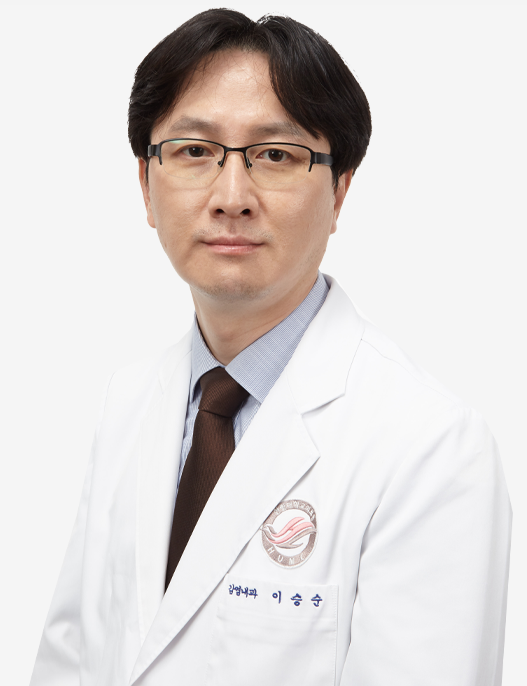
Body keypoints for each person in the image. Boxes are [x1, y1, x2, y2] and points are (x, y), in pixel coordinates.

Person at [30, 9, 512, 686]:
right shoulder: (128, 401)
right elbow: (69, 661)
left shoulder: (430, 449)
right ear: (145, 185)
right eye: (194, 151)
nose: (231, 197)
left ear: (340, 191)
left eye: (276, 155)